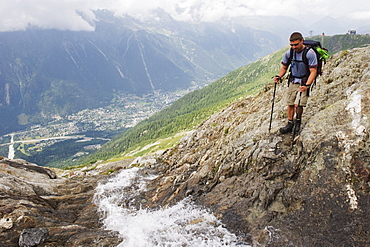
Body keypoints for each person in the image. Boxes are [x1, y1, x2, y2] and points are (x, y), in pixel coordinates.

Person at [273, 32, 318, 134]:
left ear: (302, 41)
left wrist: (307, 85)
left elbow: (313, 71)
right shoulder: (290, 53)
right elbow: (284, 67)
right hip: (293, 80)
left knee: (299, 104)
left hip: (304, 81)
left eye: (296, 44)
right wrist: (279, 76)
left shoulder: (310, 53)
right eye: (292, 45)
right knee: (290, 103)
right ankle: (290, 123)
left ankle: (298, 121)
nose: (294, 47)